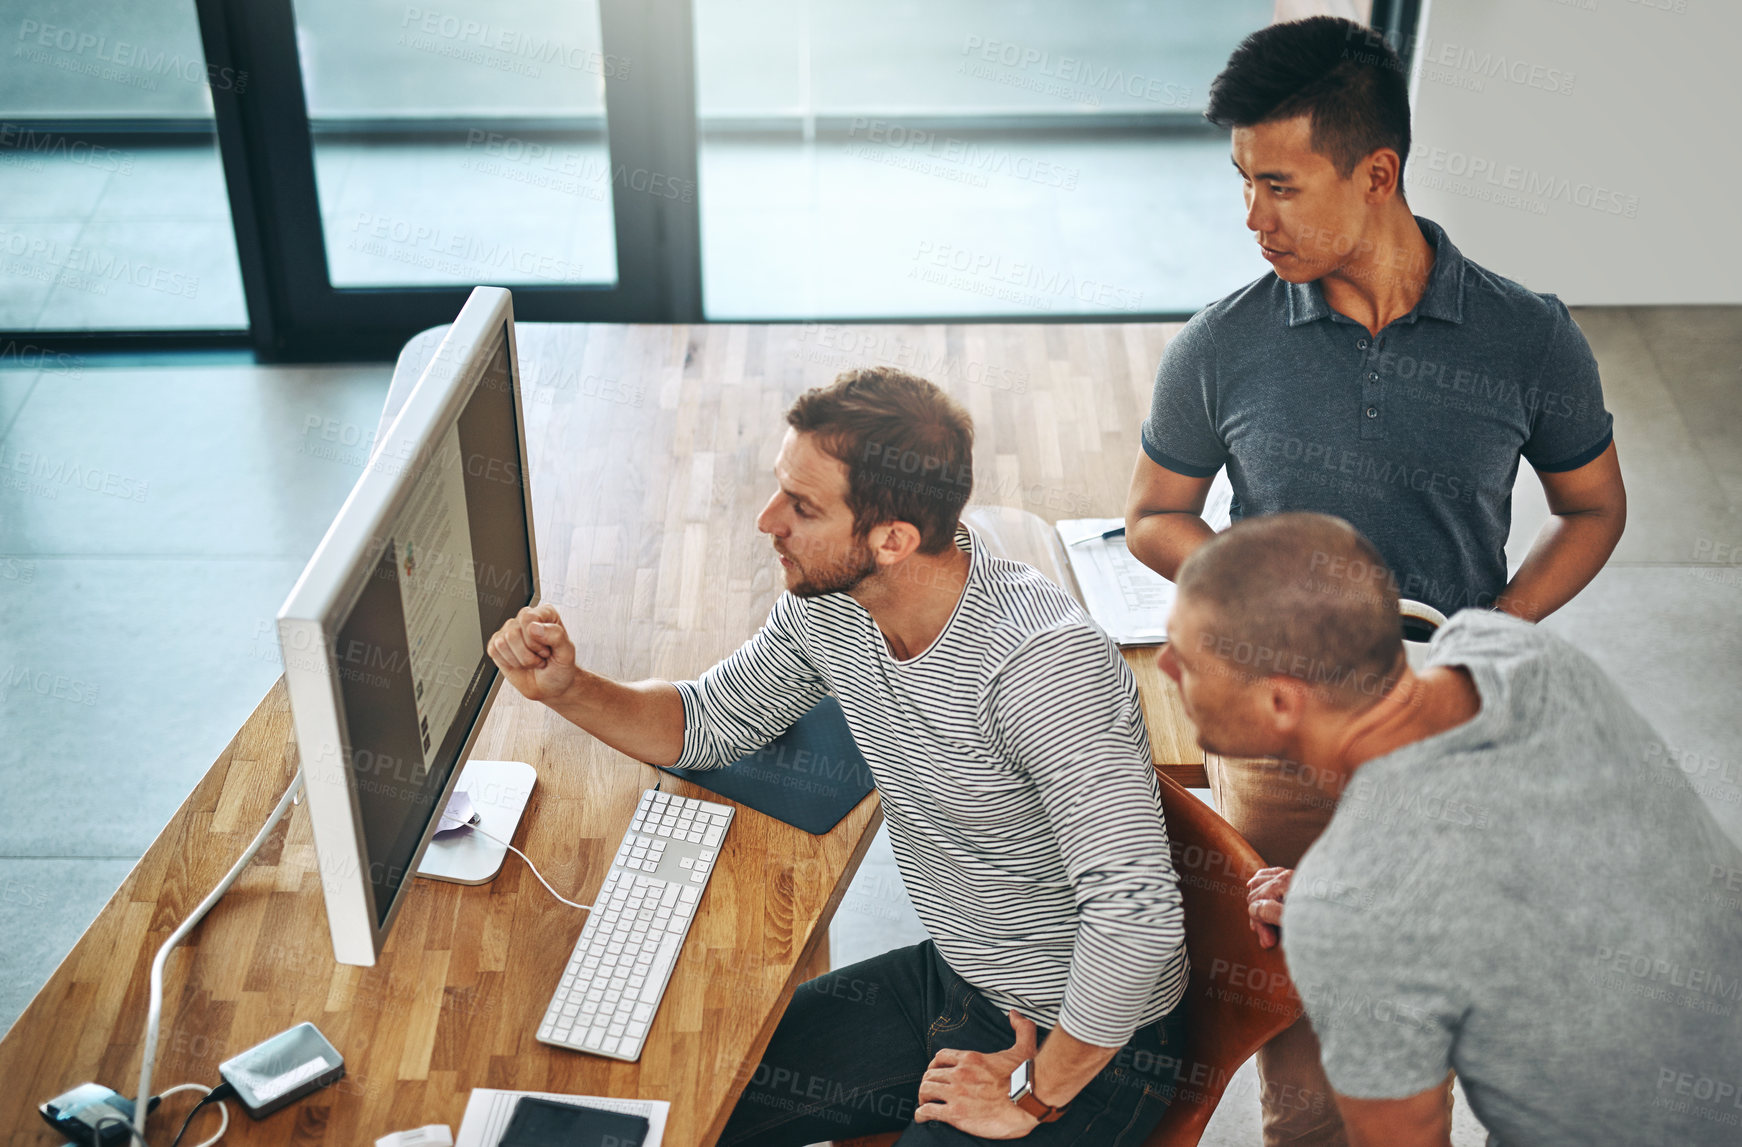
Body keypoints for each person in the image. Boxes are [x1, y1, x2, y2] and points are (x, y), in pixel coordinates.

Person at [1122, 18, 1627, 1142]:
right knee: (1301, 1066)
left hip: (1442, 733)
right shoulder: (1220, 345)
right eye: (1241, 185)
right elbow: (1152, 513)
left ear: (1376, 173)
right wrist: (1259, 598)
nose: (1251, 219)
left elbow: (1593, 509)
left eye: (1277, 186)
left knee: (1411, 1048)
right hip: (1277, 738)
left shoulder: (1526, 338)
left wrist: (1489, 631)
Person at [487, 367, 1189, 1145]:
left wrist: (1032, 1094)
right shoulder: (835, 606)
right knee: (672, 1106)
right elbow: (708, 721)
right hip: (961, 982)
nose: (766, 520)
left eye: (802, 506)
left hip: (1090, 1045)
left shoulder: (1043, 670)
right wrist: (568, 687)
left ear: (892, 539)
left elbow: (1139, 923)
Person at [1155, 511, 1742, 1147]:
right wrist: (1365, 900)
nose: (1163, 667)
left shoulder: (1347, 919)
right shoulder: (1515, 652)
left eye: (1186, 658)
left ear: (1280, 701)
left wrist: (1351, 914)